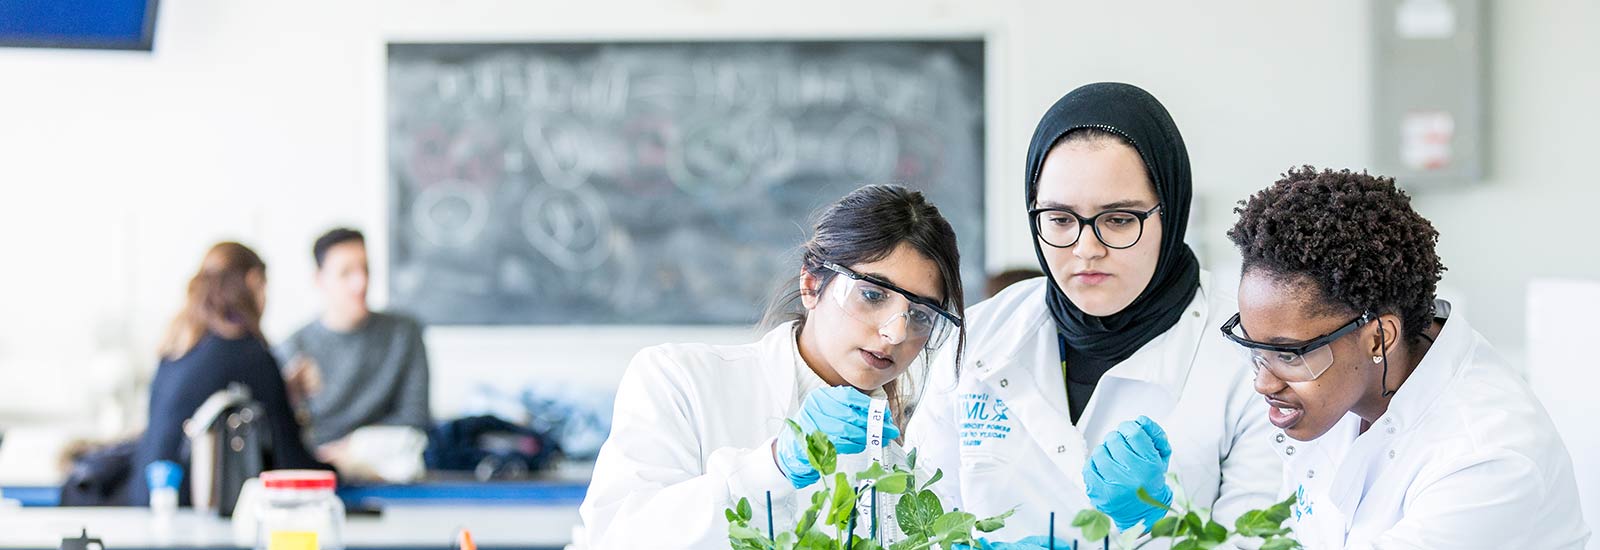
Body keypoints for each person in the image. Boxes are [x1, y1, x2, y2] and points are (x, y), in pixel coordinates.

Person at [906, 82, 1279, 545]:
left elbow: (1268, 537)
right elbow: (921, 515)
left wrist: (1154, 527)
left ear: (1173, 209)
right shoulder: (980, 338)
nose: (1086, 249)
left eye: (1119, 220)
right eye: (1060, 220)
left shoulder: (1251, 359)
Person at [579, 184, 966, 548]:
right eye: (871, 294)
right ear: (812, 284)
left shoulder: (904, 457)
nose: (895, 333)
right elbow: (619, 538)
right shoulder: (680, 379)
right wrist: (776, 465)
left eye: (921, 315)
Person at [1225, 166, 1590, 548]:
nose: (1262, 382)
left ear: (1379, 338)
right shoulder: (1339, 393)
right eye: (1254, 348)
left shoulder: (1485, 455)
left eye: (1290, 355)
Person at [128, 242, 329, 506]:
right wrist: (341, 469)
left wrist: (285, 390)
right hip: (198, 517)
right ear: (253, 281)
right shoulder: (248, 352)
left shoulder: (178, 346)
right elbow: (290, 461)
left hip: (147, 501)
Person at [276, 228, 432, 457]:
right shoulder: (293, 348)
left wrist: (354, 448)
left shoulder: (404, 334)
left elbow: (415, 418)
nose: (360, 282)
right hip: (320, 469)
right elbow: (287, 429)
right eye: (346, 273)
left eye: (365, 269)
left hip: (388, 466)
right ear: (320, 280)